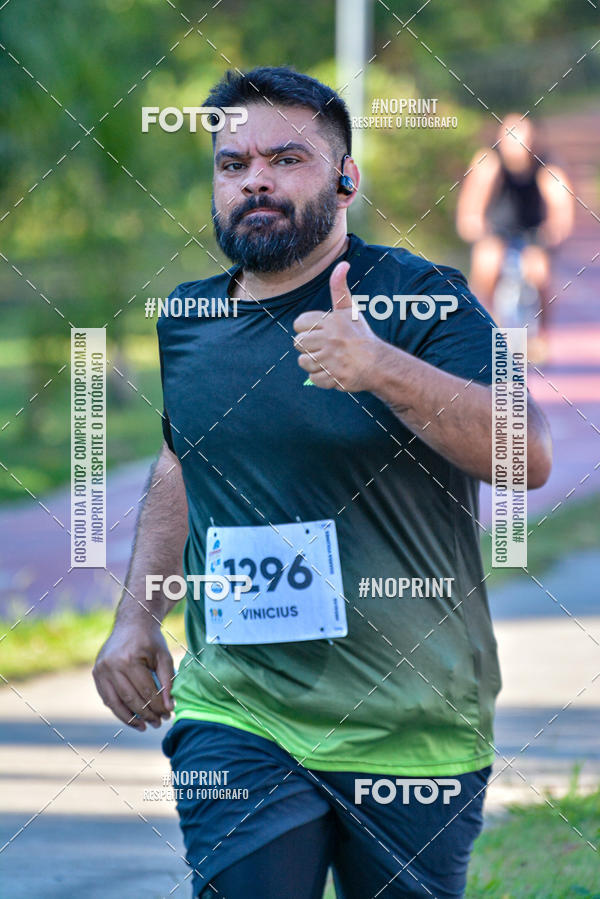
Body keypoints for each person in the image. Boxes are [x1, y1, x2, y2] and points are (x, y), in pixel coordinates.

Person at [93, 67, 553, 898]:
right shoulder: (190, 319)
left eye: (287, 158)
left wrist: (380, 366)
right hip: (238, 709)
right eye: (233, 164)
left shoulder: (423, 297)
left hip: (413, 717)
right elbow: (181, 460)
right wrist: (136, 616)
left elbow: (529, 457)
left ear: (345, 180)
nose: (256, 178)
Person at [456, 113, 574, 361]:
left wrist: (557, 229)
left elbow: (561, 202)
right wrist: (472, 223)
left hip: (533, 233)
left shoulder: (546, 164)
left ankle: (541, 336)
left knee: (540, 272)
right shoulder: (489, 161)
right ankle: (482, 329)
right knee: (487, 267)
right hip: (495, 232)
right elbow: (472, 201)